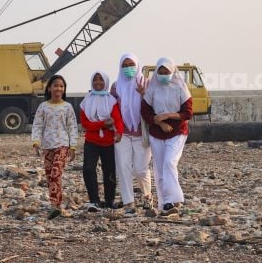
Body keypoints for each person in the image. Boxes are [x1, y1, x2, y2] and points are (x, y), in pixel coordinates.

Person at [141, 57, 192, 215]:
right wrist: (160, 123)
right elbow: (146, 112)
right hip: (157, 133)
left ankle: (174, 198)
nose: (163, 75)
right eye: (161, 72)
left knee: (170, 162)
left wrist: (168, 115)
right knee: (160, 169)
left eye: (166, 72)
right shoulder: (153, 88)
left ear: (173, 71)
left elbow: (188, 112)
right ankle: (165, 204)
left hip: (177, 131)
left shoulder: (180, 87)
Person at [31, 74, 78, 219]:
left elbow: (72, 126)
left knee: (56, 173)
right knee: (49, 175)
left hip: (62, 145)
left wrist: (73, 146)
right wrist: (36, 142)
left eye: (61, 86)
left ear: (64, 89)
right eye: (56, 85)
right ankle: (55, 205)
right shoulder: (43, 107)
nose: (59, 88)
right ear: (50, 88)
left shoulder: (67, 107)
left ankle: (56, 204)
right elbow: (37, 125)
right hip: (47, 146)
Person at [111, 53, 153, 213]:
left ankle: (148, 196)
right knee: (123, 167)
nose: (129, 68)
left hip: (141, 132)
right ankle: (129, 201)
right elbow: (112, 107)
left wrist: (143, 94)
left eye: (131, 64)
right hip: (122, 133)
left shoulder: (146, 83)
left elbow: (153, 105)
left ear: (137, 65)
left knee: (141, 169)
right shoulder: (116, 87)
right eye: (125, 65)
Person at [79, 71, 123, 211]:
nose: (98, 82)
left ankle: (109, 201)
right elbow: (85, 123)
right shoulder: (86, 101)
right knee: (88, 169)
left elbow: (117, 120)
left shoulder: (111, 101)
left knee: (109, 171)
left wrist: (119, 133)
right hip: (91, 141)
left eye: (101, 80)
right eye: (95, 80)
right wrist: (103, 124)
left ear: (106, 82)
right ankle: (94, 200)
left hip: (108, 142)